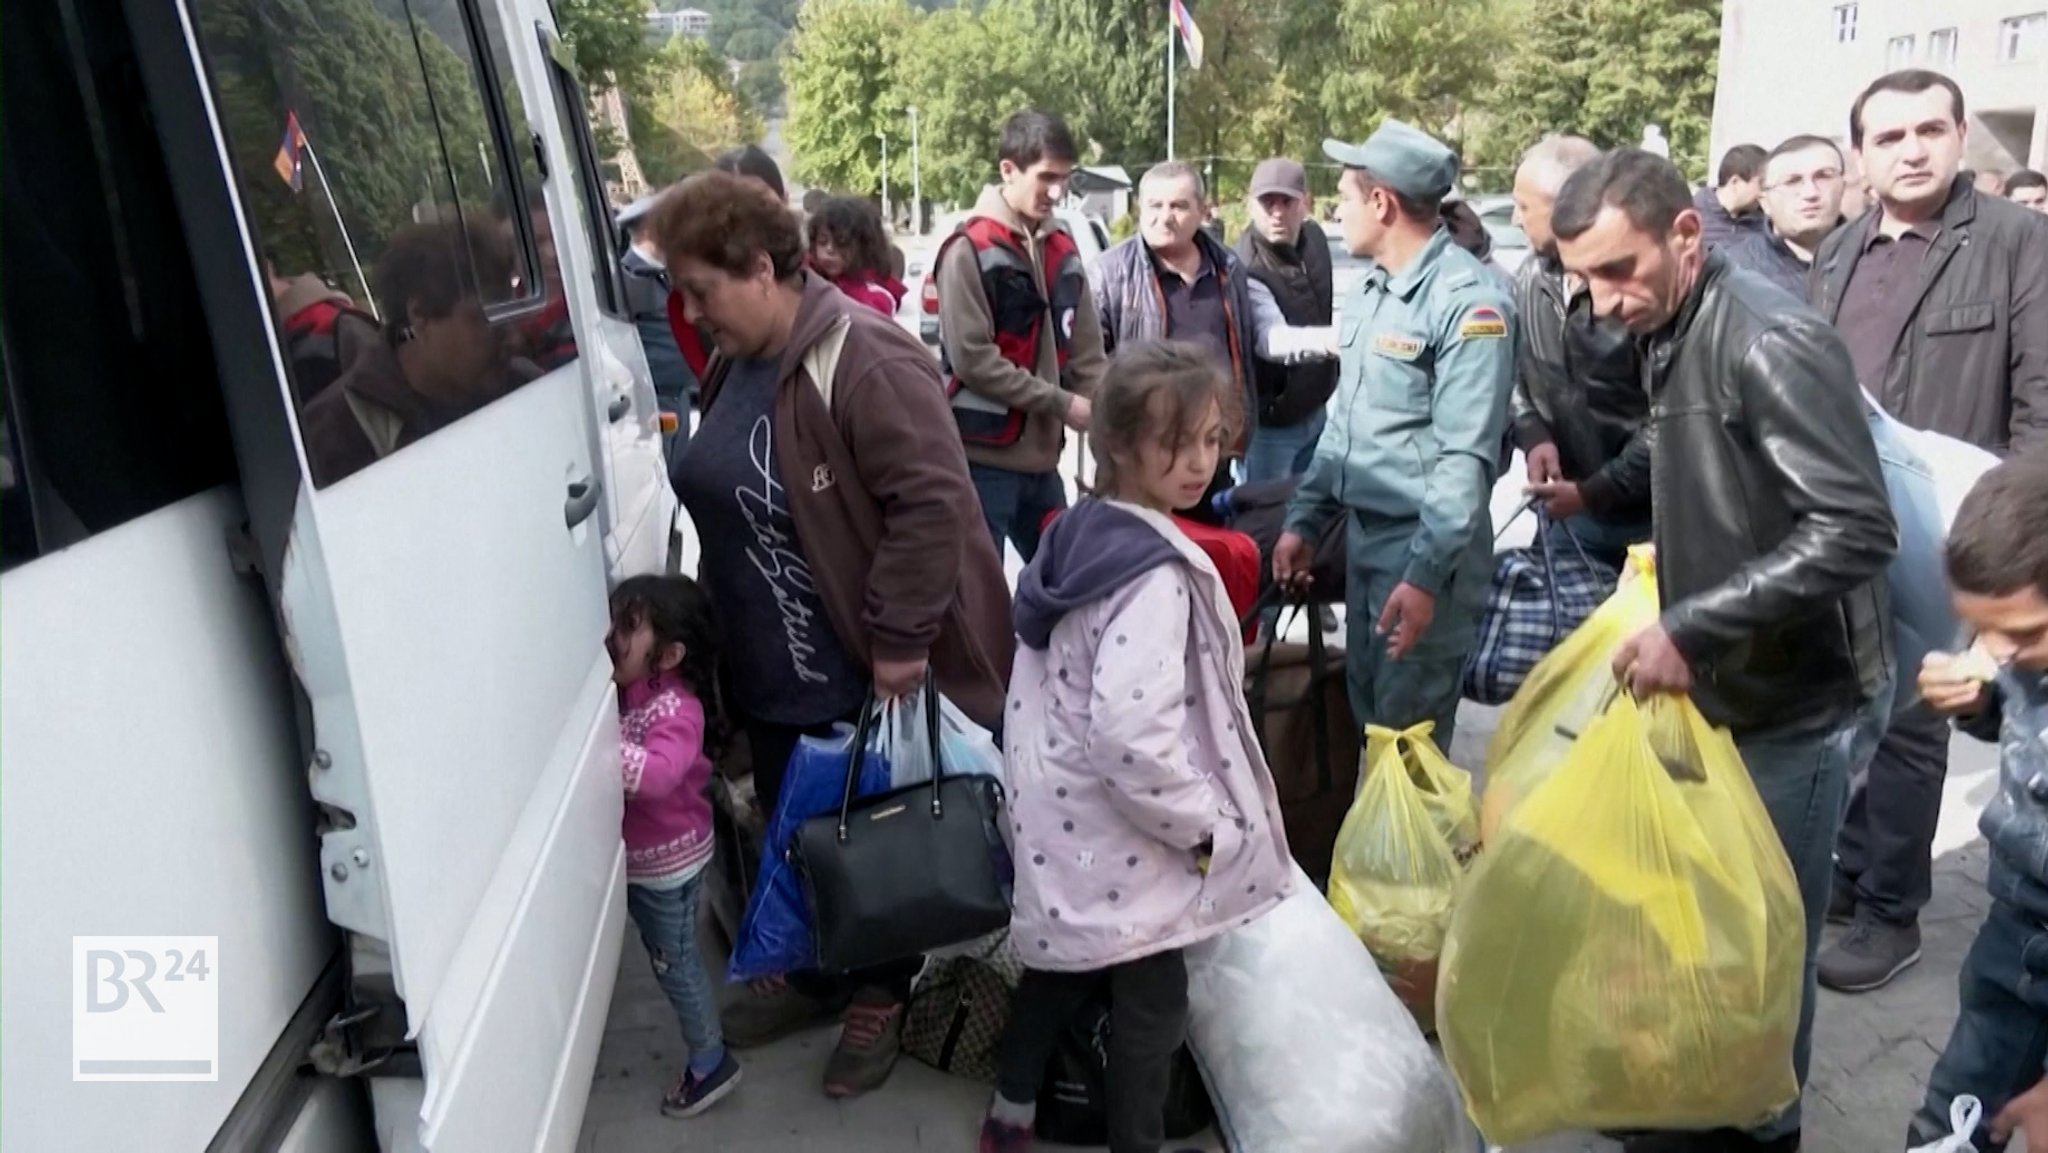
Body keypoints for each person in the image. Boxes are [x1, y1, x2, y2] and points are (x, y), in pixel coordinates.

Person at [1551, 147, 1897, 1153]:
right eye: (1582, 278)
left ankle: (1760, 1125)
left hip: (1794, 701)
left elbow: (1851, 530)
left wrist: (1692, 625)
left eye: (1616, 270)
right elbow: (1697, 450)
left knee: (1762, 945)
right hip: (1729, 681)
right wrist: (1625, 517)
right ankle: (1704, 1102)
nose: (1601, 299)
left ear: (1686, 238)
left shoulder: (1765, 337)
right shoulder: (1676, 321)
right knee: (1711, 927)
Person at [652, 170, 1014, 1099]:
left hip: (857, 663)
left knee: (873, 840)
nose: (688, 310)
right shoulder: (739, 359)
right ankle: (819, 972)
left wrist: (899, 637)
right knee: (797, 830)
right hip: (771, 663)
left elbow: (932, 504)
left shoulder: (864, 356)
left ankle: (881, 993)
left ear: (766, 268)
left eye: (702, 288)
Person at [979, 341, 1295, 1153]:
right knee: (1152, 1003)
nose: (1200, 463)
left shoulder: (1078, 531)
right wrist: (1201, 824)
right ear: (1117, 442)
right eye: (1175, 442)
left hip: (1062, 810)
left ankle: (1011, 1115)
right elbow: (1132, 735)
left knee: (1061, 962)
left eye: (1211, 439)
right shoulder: (1152, 574)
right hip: (1129, 828)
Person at [1811, 69, 2048, 995]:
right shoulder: (1838, 251)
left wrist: (2015, 538)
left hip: (1959, 520)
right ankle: (1848, 872)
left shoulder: (2017, 242)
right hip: (1848, 511)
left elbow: (2038, 403)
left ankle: (1889, 910)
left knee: (1916, 714)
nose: (1911, 150)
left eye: (1929, 130)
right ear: (1860, 156)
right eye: (1888, 136)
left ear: (1958, 139)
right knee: (1851, 700)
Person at [1272, 120, 1515, 751]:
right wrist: (1303, 521)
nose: (1334, 213)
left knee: (1409, 753)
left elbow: (1465, 461)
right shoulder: (1373, 292)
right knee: (1371, 732)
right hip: (1366, 545)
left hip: (1421, 554)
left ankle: (1417, 855)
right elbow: (1344, 428)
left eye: (1344, 198)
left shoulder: (1469, 303)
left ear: (1380, 203)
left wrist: (1426, 577)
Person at [1905, 456, 2048, 1152]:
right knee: (1954, 1117)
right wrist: (1979, 702)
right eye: (1980, 630)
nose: (1998, 650)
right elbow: (2023, 725)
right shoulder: (2017, 645)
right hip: (2016, 927)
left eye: (2021, 634)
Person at [1095, 162, 1336, 516]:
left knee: (1214, 550)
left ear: (1202, 212)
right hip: (1145, 457)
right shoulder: (1108, 274)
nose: (1165, 217)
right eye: (1154, 206)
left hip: (1212, 453)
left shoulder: (1229, 268)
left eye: (1177, 206)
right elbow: (1087, 366)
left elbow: (1249, 345)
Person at [935, 109, 1110, 562]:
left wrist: (1101, 419)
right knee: (980, 603)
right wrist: (1062, 403)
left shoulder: (1064, 250)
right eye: (1046, 178)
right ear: (1008, 171)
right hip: (981, 464)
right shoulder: (967, 249)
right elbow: (974, 360)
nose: (1056, 192)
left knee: (1062, 587)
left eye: (1064, 179)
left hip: (1044, 464)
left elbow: (1088, 355)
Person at [606, 574, 742, 1119]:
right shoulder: (636, 691)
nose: (610, 635)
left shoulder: (677, 710)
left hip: (668, 865)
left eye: (626, 627)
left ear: (668, 655)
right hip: (663, 857)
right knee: (676, 954)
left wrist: (601, 750)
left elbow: (660, 775)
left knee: (675, 963)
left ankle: (711, 1061)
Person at [300, 220, 537, 486]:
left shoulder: (527, 386)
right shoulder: (331, 436)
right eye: (489, 317)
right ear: (421, 316)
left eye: (511, 313)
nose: (515, 339)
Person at [1509, 134, 1652, 570]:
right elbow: (1516, 372)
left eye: (1524, 206)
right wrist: (1533, 432)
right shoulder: (1530, 278)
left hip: (1650, 529)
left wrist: (1595, 491)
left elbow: (1668, 422)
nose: (1514, 218)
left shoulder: (1642, 293)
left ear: (1564, 207)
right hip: (1568, 519)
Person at [1235, 157, 1338, 483]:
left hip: (1317, 409)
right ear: (1251, 205)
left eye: (1286, 201)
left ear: (1305, 203)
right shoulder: (1246, 265)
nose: (1277, 212)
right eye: (1267, 202)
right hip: (1271, 428)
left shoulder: (1316, 240)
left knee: (1312, 517)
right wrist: (1335, 340)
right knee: (1264, 521)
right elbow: (1270, 339)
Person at [618, 193, 697, 454]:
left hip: (678, 396)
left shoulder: (665, 273)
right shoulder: (628, 277)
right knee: (664, 470)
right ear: (652, 228)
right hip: (655, 401)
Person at [1726, 135, 1850, 300]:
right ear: (1765, 202)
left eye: (1823, 176)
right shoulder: (1734, 274)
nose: (1810, 193)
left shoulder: (1875, 257)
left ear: (1843, 186)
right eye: (1792, 181)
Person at [807, 195, 901, 317]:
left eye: (841, 243)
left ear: (864, 245)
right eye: (822, 242)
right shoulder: (808, 283)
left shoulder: (875, 297)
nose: (829, 250)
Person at [1694, 142, 1770, 251]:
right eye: (1761, 184)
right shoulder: (1693, 214)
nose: (1765, 192)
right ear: (1735, 182)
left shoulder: (1764, 224)